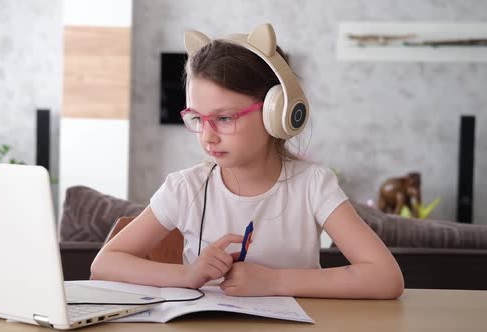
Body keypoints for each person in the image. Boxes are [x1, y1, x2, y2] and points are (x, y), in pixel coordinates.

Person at [91, 23, 404, 299]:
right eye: (197, 118)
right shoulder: (185, 188)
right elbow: (105, 263)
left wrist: (275, 280)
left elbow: (386, 278)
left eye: (224, 118)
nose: (207, 137)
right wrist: (186, 275)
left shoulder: (313, 185)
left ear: (275, 112)